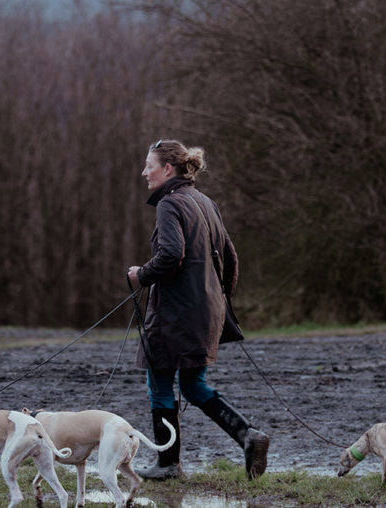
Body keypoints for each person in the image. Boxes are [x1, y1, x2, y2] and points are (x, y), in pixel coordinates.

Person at [126, 139, 269, 480]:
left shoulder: (169, 204)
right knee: (192, 386)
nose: (144, 172)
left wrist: (140, 274)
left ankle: (168, 464)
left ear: (167, 169)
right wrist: (217, 302)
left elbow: (170, 255)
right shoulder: (206, 203)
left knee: (159, 384)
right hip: (206, 313)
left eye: (149, 165)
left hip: (174, 316)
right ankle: (248, 435)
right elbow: (231, 260)